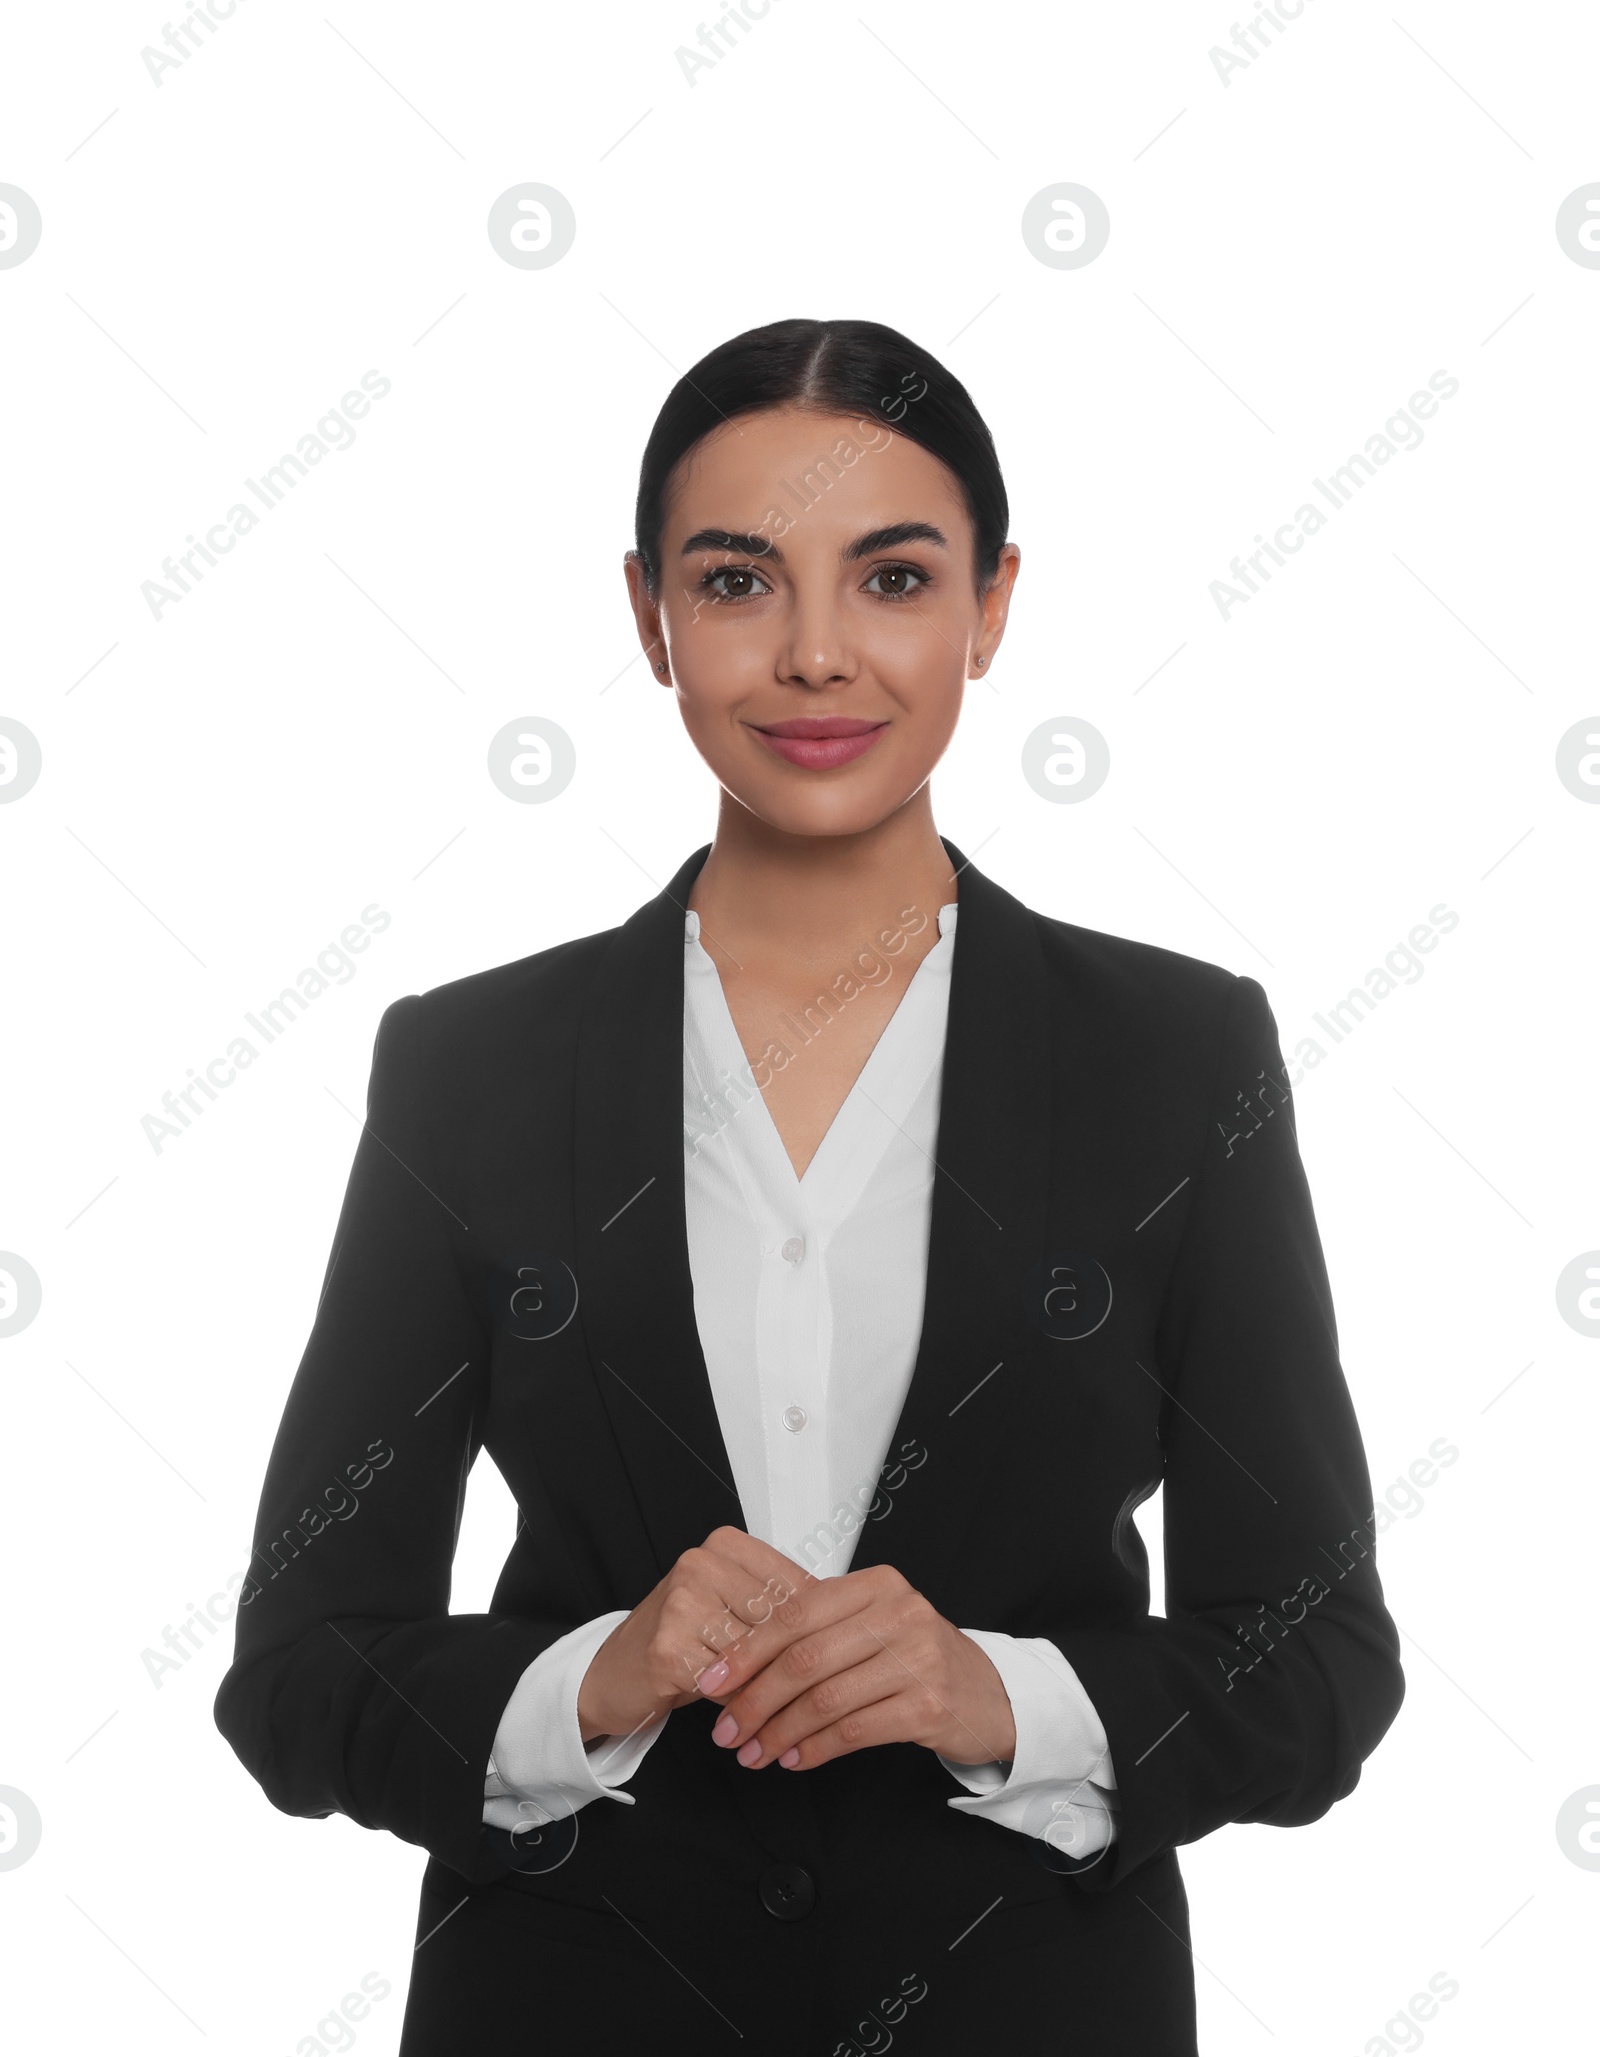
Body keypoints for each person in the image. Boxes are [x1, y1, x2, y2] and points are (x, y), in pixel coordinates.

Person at [215, 317, 1404, 2055]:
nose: (818, 653)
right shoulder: (469, 1068)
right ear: (650, 618)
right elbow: (299, 1669)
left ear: (993, 606)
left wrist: (1008, 1694)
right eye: (739, 579)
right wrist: (586, 1682)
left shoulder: (1178, 1057)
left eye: (896, 576)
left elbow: (1317, 1663)